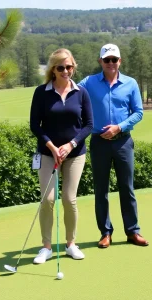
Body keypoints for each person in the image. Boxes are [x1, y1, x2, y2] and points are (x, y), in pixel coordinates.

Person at [78, 43, 149, 248]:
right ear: (100, 61)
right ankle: (105, 233)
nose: (111, 63)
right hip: (99, 142)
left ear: (120, 61)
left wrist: (119, 127)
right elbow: (71, 90)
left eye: (114, 60)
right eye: (106, 60)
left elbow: (138, 112)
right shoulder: (89, 82)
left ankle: (132, 231)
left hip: (123, 142)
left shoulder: (130, 83)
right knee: (101, 190)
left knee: (127, 188)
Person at [30, 48, 93, 263]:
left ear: (73, 67)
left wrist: (71, 144)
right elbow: (34, 125)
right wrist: (52, 147)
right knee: (47, 199)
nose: (66, 71)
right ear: (53, 69)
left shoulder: (81, 92)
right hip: (48, 154)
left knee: (68, 198)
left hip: (75, 154)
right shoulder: (41, 92)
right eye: (61, 67)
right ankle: (46, 247)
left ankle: (70, 244)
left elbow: (89, 125)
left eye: (69, 66)